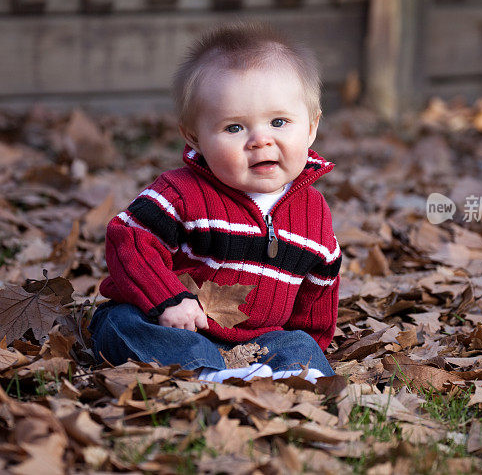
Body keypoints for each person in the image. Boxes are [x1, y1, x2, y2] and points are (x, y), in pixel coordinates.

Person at [88, 22, 342, 383]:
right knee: (119, 323)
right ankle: (204, 373)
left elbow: (319, 292)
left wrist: (311, 344)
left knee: (298, 344)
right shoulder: (180, 193)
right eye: (234, 128)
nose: (260, 140)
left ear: (312, 127)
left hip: (257, 340)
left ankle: (294, 378)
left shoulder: (313, 214)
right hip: (172, 322)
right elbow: (129, 239)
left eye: (279, 122)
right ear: (195, 137)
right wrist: (168, 299)